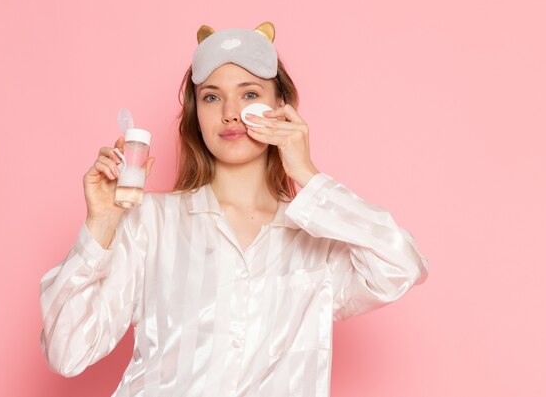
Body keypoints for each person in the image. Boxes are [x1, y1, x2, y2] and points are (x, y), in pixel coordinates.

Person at [39, 21, 429, 397]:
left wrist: (308, 175)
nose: (229, 112)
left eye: (249, 94)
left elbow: (402, 265)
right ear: (197, 114)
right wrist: (101, 225)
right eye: (212, 96)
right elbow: (67, 351)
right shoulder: (149, 222)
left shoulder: (318, 240)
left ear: (282, 107)